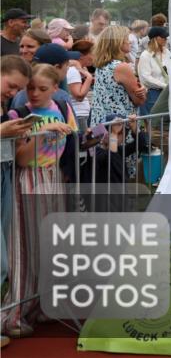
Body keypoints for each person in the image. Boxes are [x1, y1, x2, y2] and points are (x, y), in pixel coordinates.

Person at [2, 64, 75, 336]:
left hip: (53, 177)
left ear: (55, 88)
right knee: (25, 246)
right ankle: (14, 313)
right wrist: (42, 132)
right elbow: (21, 158)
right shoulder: (18, 114)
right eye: (30, 88)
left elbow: (71, 145)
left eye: (42, 88)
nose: (34, 93)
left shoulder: (62, 108)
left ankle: (44, 305)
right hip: (28, 179)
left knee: (51, 245)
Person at [1, 55, 32, 348]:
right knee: (1, 261)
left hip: (5, 173)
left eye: (16, 90)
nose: (13, 94)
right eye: (11, 86)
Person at [89, 25, 147, 128]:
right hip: (120, 127)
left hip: (100, 125)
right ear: (118, 42)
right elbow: (139, 101)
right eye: (126, 38)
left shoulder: (101, 65)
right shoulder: (121, 67)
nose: (129, 41)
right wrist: (143, 92)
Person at [136, 26, 169, 115]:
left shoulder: (167, 52)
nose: (166, 39)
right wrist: (165, 86)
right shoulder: (145, 55)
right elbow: (145, 78)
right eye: (163, 37)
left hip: (167, 92)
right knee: (154, 121)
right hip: (153, 94)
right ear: (155, 38)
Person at [66, 40, 95, 129]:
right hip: (78, 114)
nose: (95, 56)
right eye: (92, 54)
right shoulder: (73, 71)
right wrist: (89, 77)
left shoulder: (80, 70)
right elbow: (79, 96)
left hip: (82, 114)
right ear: (82, 56)